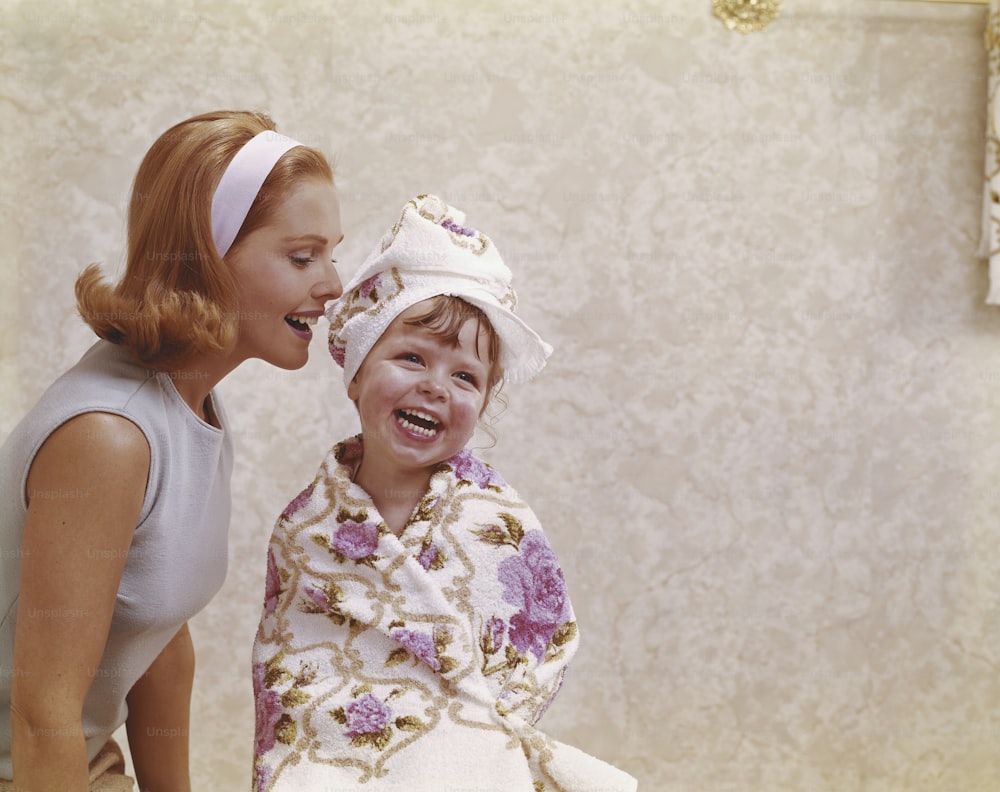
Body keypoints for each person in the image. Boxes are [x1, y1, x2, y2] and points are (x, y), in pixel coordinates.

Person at [0, 110, 344, 792]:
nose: (333, 284)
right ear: (205, 258)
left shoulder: (192, 403)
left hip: (76, 763)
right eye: (303, 257)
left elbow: (156, 637)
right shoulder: (109, 436)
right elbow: (41, 719)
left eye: (331, 252)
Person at [251, 195, 636, 791]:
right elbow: (288, 670)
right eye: (411, 358)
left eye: (465, 377)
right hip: (334, 759)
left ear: (483, 405)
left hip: (463, 754)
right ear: (356, 374)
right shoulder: (307, 528)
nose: (436, 387)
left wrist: (473, 731)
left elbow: (545, 635)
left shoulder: (493, 519)